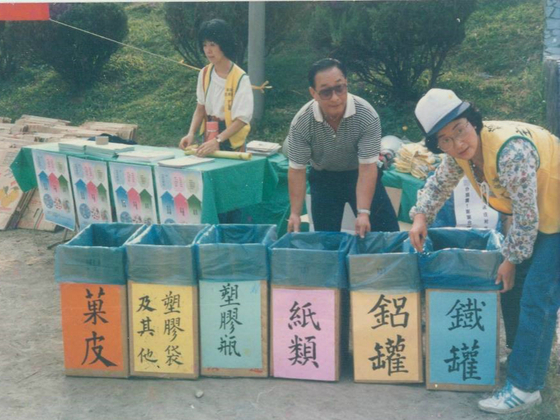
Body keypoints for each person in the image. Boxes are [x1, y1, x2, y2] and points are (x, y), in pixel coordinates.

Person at [409, 88, 559, 414]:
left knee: (539, 294)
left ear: (472, 121)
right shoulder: (459, 156)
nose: (458, 143)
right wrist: (420, 216)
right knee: (513, 286)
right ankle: (523, 356)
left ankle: (525, 387)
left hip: (553, 214)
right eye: (445, 139)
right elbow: (439, 183)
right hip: (541, 214)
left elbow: (526, 218)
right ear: (438, 145)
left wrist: (510, 259)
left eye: (460, 129)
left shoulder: (509, 153)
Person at [287, 58, 399, 237]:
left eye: (340, 88)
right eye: (326, 92)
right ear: (313, 93)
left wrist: (364, 213)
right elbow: (297, 170)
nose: (335, 98)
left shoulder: (367, 115)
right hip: (324, 180)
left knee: (388, 234)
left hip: (360, 173)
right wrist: (295, 213)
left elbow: (367, 167)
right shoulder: (301, 122)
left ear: (346, 84)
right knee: (326, 240)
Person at [178, 18, 253, 223]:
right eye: (204, 45)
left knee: (233, 195)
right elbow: (200, 108)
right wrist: (191, 133)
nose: (208, 50)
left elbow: (241, 119)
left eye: (212, 44)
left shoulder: (240, 78)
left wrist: (219, 140)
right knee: (211, 192)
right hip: (209, 137)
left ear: (224, 44)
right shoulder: (204, 73)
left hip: (231, 142)